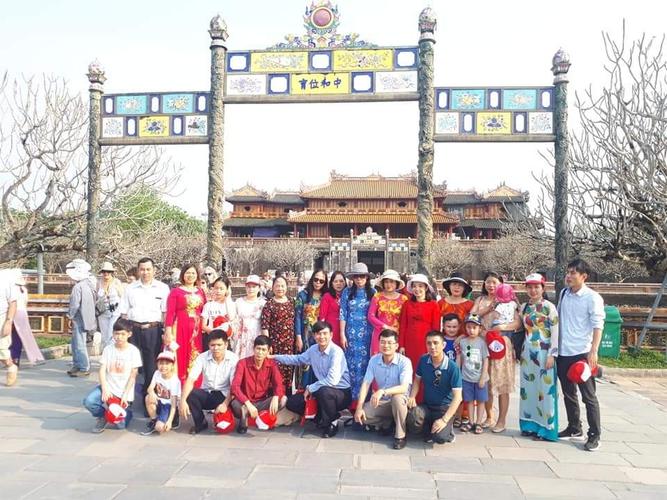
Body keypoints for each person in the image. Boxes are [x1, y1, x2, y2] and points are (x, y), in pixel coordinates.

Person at [557, 259, 604, 452]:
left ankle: (595, 435)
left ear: (584, 276)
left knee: (588, 396)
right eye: (568, 272)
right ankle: (574, 427)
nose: (568, 276)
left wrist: (594, 350)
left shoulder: (592, 298)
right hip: (563, 351)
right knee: (568, 393)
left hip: (582, 353)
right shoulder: (564, 293)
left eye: (573, 273)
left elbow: (598, 325)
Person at [273, 320, 351, 438]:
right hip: (321, 391)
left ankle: (332, 422)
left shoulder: (336, 352)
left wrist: (310, 388)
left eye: (325, 333)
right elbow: (298, 359)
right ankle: (321, 417)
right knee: (292, 402)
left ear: (331, 335)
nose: (322, 337)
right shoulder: (313, 350)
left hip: (341, 393)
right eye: (318, 334)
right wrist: (275, 357)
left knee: (324, 391)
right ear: (314, 335)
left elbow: (332, 380)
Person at [471, 271, 521, 432]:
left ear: (501, 284)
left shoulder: (510, 302)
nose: (491, 285)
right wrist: (488, 308)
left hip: (502, 344)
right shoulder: (480, 300)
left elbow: (517, 323)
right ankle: (489, 416)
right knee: (486, 382)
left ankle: (502, 420)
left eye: (494, 282)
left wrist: (501, 327)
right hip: (483, 344)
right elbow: (472, 316)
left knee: (502, 383)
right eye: (488, 282)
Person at [119, 257, 170, 398]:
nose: (145, 272)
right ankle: (125, 395)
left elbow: (165, 312)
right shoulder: (130, 288)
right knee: (130, 362)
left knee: (151, 364)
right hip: (133, 329)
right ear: (138, 270)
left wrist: (166, 331)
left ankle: (149, 395)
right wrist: (124, 332)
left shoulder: (162, 288)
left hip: (153, 329)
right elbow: (124, 312)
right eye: (142, 269)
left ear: (154, 270)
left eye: (148, 269)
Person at [354, 329, 413, 449]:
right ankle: (389, 422)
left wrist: (383, 391)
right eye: (382, 342)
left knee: (397, 399)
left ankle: (400, 436)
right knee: (361, 417)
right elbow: (366, 383)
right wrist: (359, 408)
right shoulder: (374, 360)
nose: (386, 346)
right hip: (383, 402)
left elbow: (404, 388)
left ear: (396, 346)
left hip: (401, 401)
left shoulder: (404, 362)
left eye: (390, 343)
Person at [83, 318, 142, 433]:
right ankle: (104, 416)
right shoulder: (108, 349)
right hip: (108, 388)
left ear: (129, 334)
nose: (119, 337)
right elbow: (102, 370)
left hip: (123, 392)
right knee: (89, 401)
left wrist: (125, 394)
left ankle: (126, 413)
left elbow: (133, 375)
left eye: (122, 334)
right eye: (116, 333)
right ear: (113, 333)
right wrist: (104, 388)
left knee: (120, 425)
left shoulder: (133, 351)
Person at [520, 273, 560, 442]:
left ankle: (546, 428)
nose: (533, 290)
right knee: (528, 390)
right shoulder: (524, 307)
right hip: (527, 355)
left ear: (543, 288)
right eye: (529, 287)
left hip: (544, 353)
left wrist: (552, 354)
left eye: (536, 287)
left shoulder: (549, 307)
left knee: (545, 391)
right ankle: (529, 425)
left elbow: (556, 332)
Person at [407, 330, 463, 444]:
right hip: (427, 406)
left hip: (444, 408)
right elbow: (417, 381)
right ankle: (429, 428)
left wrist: (444, 420)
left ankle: (447, 430)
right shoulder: (423, 360)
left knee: (440, 438)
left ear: (443, 345)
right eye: (429, 343)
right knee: (413, 420)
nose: (432, 347)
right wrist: (412, 396)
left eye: (436, 343)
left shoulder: (452, 367)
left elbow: (458, 398)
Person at [180, 330, 239, 434]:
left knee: (224, 427)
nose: (216, 348)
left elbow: (234, 385)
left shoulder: (233, 359)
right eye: (213, 345)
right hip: (208, 394)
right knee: (191, 393)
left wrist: (225, 404)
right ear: (209, 345)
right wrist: (182, 400)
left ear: (226, 344)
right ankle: (200, 423)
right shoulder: (202, 357)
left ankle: (235, 419)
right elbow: (191, 379)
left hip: (226, 395)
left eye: (219, 345)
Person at [231, 335, 287, 433]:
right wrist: (247, 403)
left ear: (268, 351)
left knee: (283, 400)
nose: (260, 353)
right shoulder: (242, 363)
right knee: (235, 403)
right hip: (244, 402)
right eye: (258, 349)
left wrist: (276, 396)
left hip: (261, 402)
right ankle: (244, 418)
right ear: (253, 349)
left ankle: (262, 418)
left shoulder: (272, 364)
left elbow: (279, 384)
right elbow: (235, 387)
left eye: (263, 350)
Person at [163, 264, 207, 384]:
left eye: (193, 273)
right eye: (188, 273)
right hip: (179, 328)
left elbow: (205, 310)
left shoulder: (201, 291)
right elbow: (170, 313)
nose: (190, 275)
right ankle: (178, 385)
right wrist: (168, 331)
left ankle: (193, 385)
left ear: (197, 275)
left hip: (196, 331)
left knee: (195, 354)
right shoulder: (175, 292)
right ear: (183, 275)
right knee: (179, 354)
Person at [339, 263, 375, 402]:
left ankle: (366, 399)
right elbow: (343, 313)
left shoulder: (373, 293)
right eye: (356, 277)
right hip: (351, 334)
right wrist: (342, 334)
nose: (359, 279)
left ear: (367, 278)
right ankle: (352, 400)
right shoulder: (347, 292)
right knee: (351, 365)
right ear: (353, 278)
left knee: (367, 365)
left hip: (368, 334)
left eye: (362, 276)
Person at [399, 274, 441, 379]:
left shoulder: (433, 305)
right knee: (410, 370)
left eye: (420, 286)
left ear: (426, 288)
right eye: (414, 286)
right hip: (409, 342)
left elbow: (436, 328)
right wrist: (401, 345)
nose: (417, 289)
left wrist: (434, 345)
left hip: (426, 343)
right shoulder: (407, 304)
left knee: (425, 369)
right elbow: (403, 325)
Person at [260, 276, 296, 395]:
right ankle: (274, 395)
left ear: (286, 287)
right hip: (275, 343)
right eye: (277, 286)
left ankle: (287, 395)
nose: (280, 288)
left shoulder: (292, 302)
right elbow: (265, 326)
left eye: (282, 286)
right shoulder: (269, 304)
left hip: (289, 343)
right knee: (275, 368)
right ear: (272, 287)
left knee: (288, 367)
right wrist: (268, 344)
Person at [458, 314, 489, 435]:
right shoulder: (463, 342)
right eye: (469, 327)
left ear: (480, 328)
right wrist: (458, 374)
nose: (471, 330)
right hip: (466, 377)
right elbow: (460, 359)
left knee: (481, 401)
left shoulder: (482, 343)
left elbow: (486, 360)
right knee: (469, 400)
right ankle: (471, 422)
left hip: (480, 378)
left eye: (474, 327)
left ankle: (478, 422)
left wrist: (483, 377)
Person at [66, 258, 97, 378]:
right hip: (88, 317)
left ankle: (83, 367)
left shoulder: (78, 287)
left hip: (79, 317)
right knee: (78, 342)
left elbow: (74, 304)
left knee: (78, 343)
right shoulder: (89, 284)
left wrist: (70, 316)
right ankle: (77, 365)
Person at [8, 270, 44, 370]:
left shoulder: (11, 290)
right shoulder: (24, 290)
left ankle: (11, 358)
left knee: (10, 338)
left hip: (13, 314)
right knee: (20, 338)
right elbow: (25, 303)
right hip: (23, 315)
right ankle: (16, 358)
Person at [367, 270, 408, 356]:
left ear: (396, 283)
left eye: (391, 282)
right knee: (378, 360)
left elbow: (406, 319)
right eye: (386, 282)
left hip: (396, 335)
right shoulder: (377, 296)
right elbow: (371, 316)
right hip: (380, 333)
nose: (389, 284)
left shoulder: (404, 299)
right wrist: (385, 326)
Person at [142, 350, 181, 435]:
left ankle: (173, 419)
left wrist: (169, 421)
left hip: (169, 406)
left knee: (159, 428)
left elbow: (173, 404)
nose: (163, 366)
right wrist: (152, 393)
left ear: (172, 366)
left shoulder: (174, 381)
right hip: (160, 402)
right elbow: (150, 388)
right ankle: (154, 420)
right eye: (161, 363)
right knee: (148, 397)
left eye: (167, 364)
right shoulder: (157, 373)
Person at [295, 269, 328, 352]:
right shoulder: (302, 295)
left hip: (321, 335)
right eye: (316, 279)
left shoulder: (326, 296)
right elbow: (297, 317)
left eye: (321, 281)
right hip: (305, 334)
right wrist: (298, 337)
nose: (318, 283)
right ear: (312, 279)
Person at [234, 275, 266, 359]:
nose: (251, 289)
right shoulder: (239, 302)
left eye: (254, 287)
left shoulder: (263, 303)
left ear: (259, 288)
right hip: (242, 338)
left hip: (257, 336)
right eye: (249, 286)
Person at [201, 275, 236, 348]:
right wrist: (213, 332)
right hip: (211, 340)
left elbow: (231, 317)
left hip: (225, 340)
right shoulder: (208, 305)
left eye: (221, 289)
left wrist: (227, 298)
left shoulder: (231, 304)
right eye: (216, 288)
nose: (218, 291)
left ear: (227, 290)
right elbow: (203, 325)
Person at [97, 261, 124, 348]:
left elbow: (122, 296)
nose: (106, 273)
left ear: (111, 272)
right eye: (104, 271)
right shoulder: (98, 283)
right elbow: (96, 297)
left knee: (111, 334)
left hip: (115, 312)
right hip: (102, 312)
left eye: (108, 271)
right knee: (104, 336)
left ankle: (112, 352)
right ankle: (105, 352)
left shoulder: (116, 282)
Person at [439, 272, 474, 337]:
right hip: (444, 339)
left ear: (464, 288)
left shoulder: (470, 305)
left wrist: (464, 335)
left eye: (460, 285)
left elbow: (473, 324)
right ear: (449, 286)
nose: (456, 287)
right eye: (454, 284)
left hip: (464, 339)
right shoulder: (441, 303)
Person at [0, 269, 19, 386]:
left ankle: (11, 366)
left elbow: (13, 302)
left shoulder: (5, 279)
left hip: (2, 318)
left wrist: (8, 321)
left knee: (2, 350)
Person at [318, 270, 346, 347]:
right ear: (331, 283)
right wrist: (323, 334)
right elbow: (322, 317)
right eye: (335, 281)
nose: (338, 284)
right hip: (331, 332)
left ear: (345, 282)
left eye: (341, 281)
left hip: (346, 331)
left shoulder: (349, 296)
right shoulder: (327, 296)